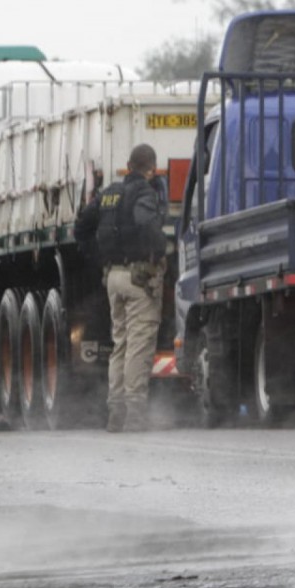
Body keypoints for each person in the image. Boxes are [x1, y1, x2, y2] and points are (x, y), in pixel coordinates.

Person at [76, 144, 169, 433]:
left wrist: (99, 257)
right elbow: (146, 224)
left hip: (113, 277)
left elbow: (81, 227)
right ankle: (135, 413)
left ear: (128, 165)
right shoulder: (144, 193)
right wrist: (160, 248)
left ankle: (115, 412)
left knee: (120, 344)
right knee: (138, 346)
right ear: (151, 169)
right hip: (139, 277)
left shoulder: (109, 193)